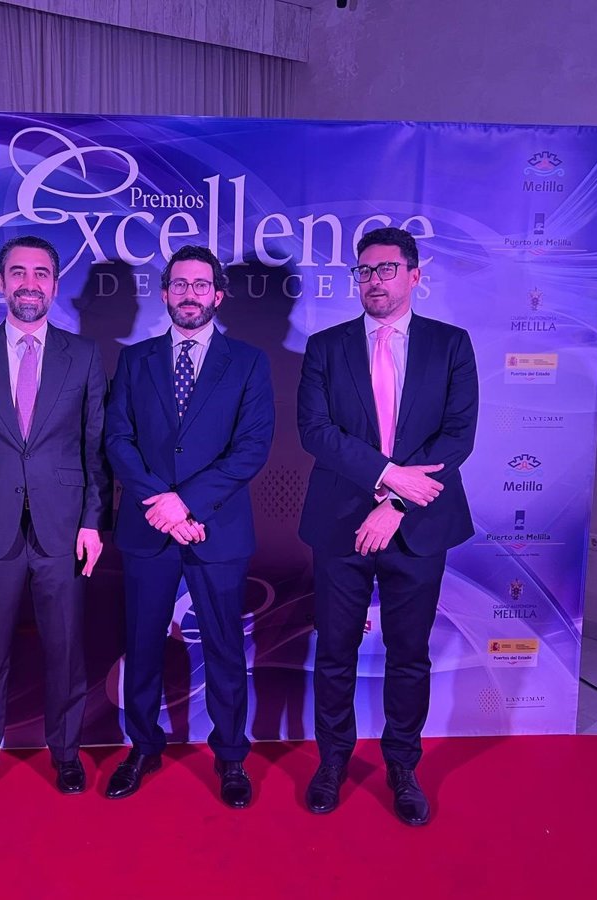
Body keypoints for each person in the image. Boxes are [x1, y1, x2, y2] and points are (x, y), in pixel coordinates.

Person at [297, 226, 478, 824]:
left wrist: (395, 503)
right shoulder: (326, 347)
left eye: (387, 269)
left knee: (409, 654)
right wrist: (387, 476)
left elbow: (457, 436)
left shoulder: (451, 345)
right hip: (340, 522)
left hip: (418, 524)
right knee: (334, 653)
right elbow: (316, 432)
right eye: (365, 271)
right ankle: (332, 763)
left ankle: (403, 765)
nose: (374, 280)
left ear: (414, 275)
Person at [103, 245, 274, 808]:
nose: (190, 294)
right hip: (148, 527)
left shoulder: (248, 362)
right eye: (180, 284)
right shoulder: (135, 360)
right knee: (142, 645)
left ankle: (231, 757)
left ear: (218, 295)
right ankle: (143, 747)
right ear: (165, 293)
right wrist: (161, 504)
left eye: (202, 285)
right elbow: (118, 440)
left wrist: (187, 505)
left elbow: (251, 448)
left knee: (224, 648)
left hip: (216, 529)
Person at [0, 235, 109, 798]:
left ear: (55, 285)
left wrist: (92, 521)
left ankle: (66, 753)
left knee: (65, 648)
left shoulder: (83, 355)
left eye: (41, 273)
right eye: (18, 272)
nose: (29, 283)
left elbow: (95, 446)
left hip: (63, 528)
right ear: (1, 283)